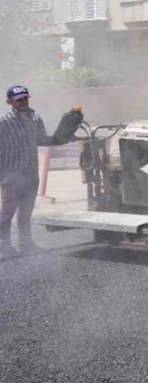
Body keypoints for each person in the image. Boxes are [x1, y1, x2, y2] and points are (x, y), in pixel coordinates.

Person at [0, 85, 74, 257]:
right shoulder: (3, 122)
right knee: (7, 211)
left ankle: (26, 244)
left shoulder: (35, 118)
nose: (23, 102)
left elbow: (42, 140)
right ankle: (4, 246)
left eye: (25, 98)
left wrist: (61, 138)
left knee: (26, 210)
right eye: (19, 99)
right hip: (10, 174)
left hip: (31, 172)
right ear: (9, 102)